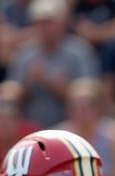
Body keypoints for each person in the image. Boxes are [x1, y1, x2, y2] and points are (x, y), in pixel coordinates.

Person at [8, 0, 100, 128]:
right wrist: (27, 83)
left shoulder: (79, 51)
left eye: (49, 22)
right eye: (39, 22)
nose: (44, 27)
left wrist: (53, 84)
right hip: (32, 130)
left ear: (62, 23)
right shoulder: (25, 54)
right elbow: (11, 94)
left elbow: (92, 96)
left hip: (72, 129)